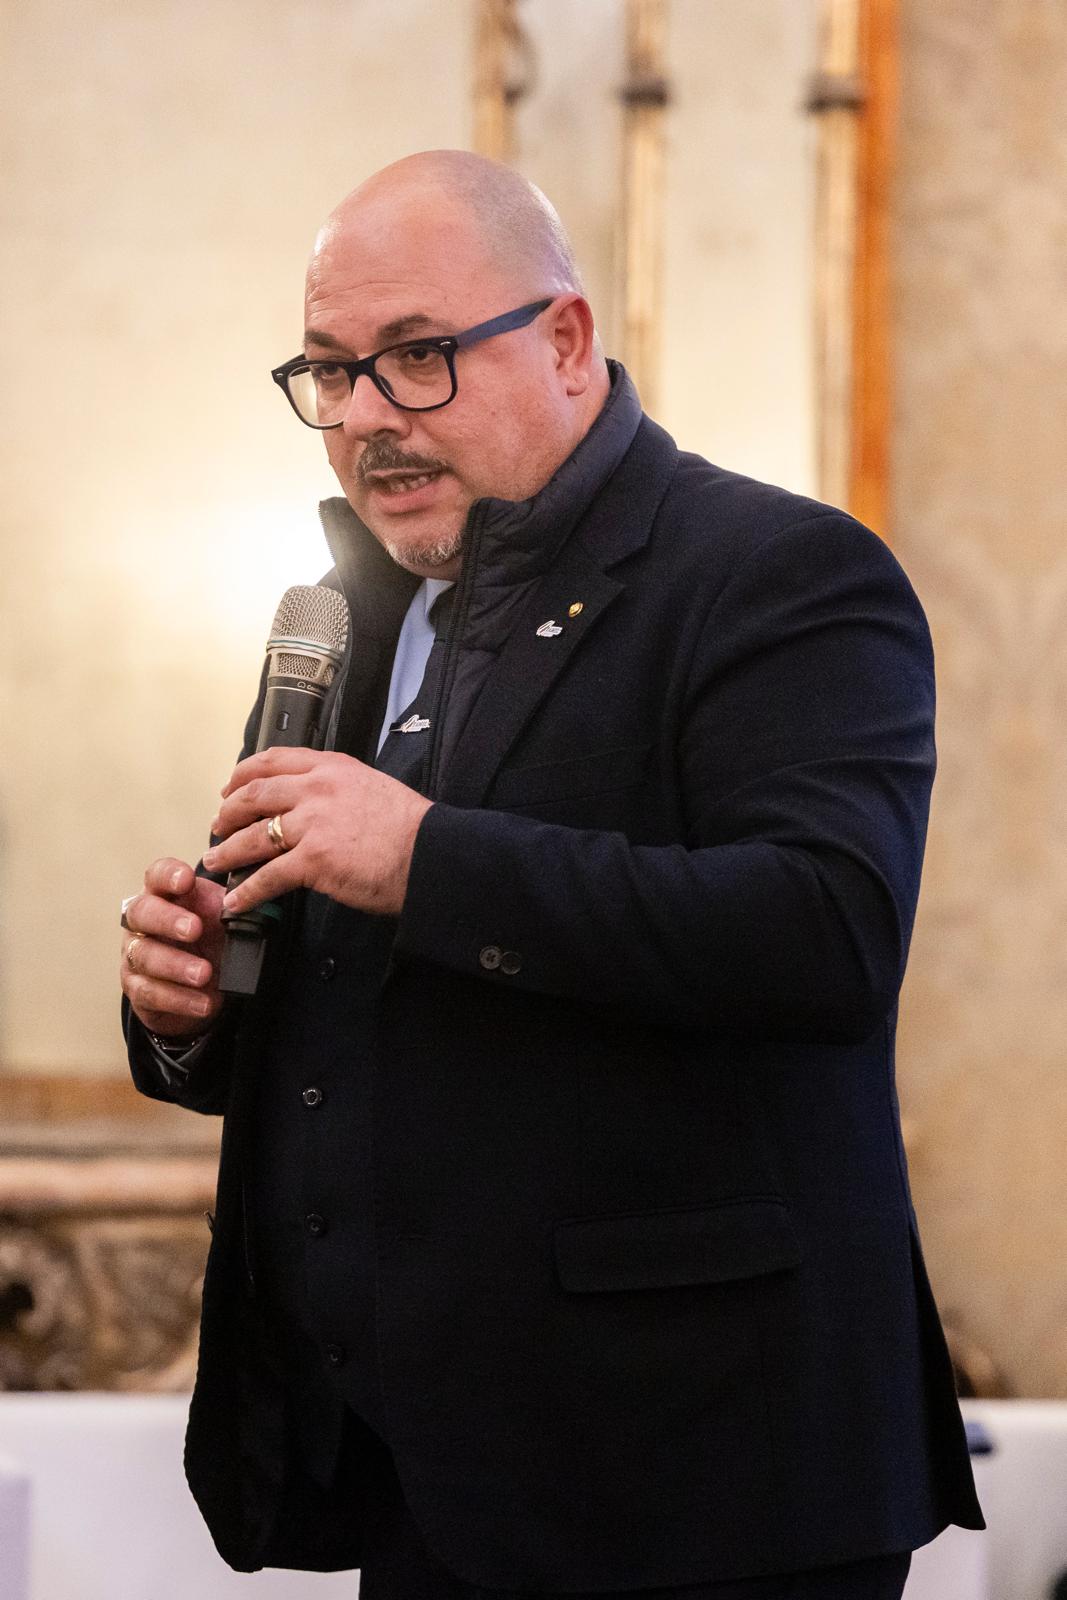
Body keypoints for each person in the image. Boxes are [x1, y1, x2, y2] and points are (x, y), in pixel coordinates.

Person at [121, 150, 982, 1599]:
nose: (367, 416)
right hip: (419, 1482)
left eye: (418, 355)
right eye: (330, 370)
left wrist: (425, 859)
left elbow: (827, 933)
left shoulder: (777, 570)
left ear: (567, 340)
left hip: (699, 1490)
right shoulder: (349, 619)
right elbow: (356, 1017)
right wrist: (190, 1008)